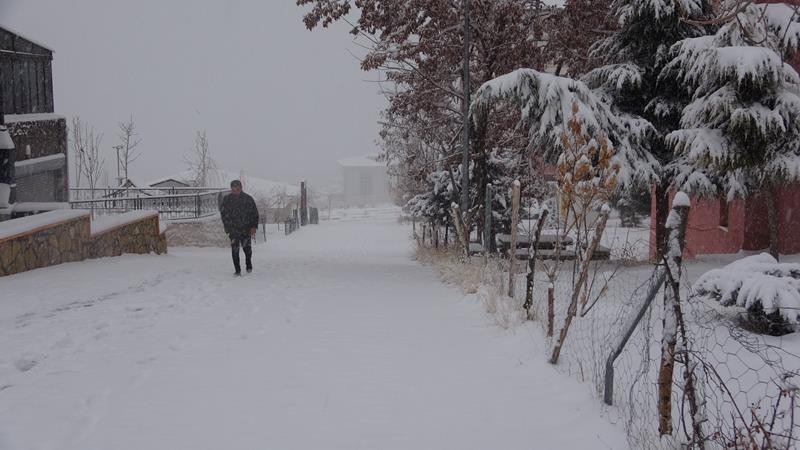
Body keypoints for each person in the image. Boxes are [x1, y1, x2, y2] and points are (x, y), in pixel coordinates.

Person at [220, 180, 259, 276]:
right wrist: (228, 228)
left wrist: (254, 227)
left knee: (247, 249)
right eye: (233, 189)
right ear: (231, 189)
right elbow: (224, 215)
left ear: (241, 188)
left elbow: (254, 214)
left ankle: (249, 266)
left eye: (237, 188)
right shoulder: (227, 200)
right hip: (233, 230)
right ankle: (237, 270)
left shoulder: (248, 199)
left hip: (246, 229)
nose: (236, 190)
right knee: (235, 251)